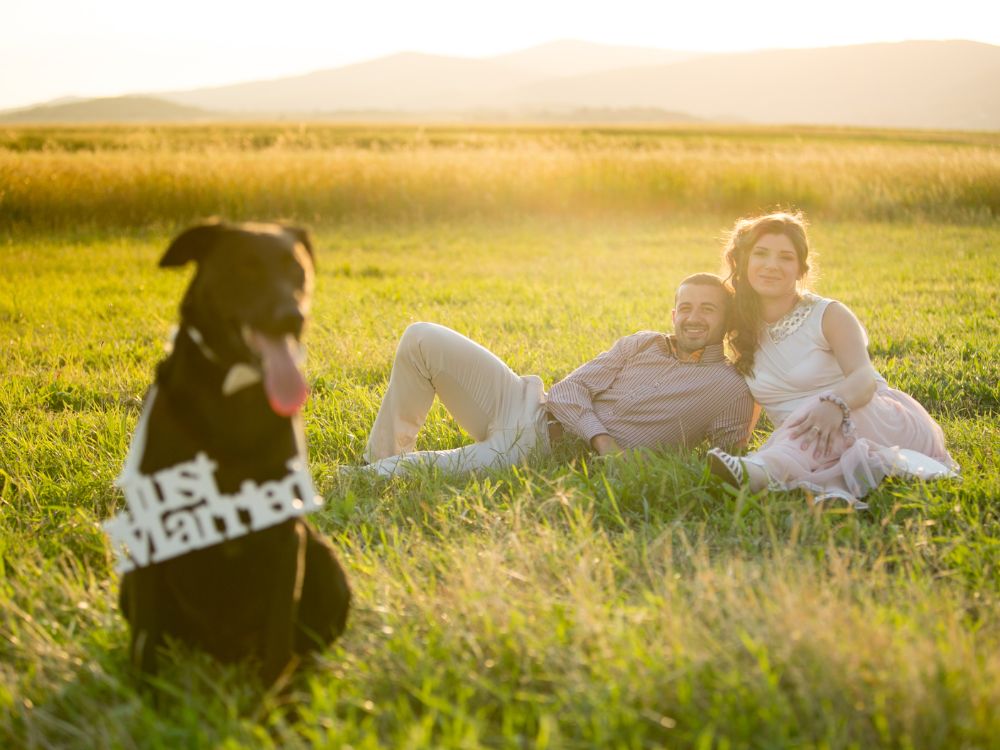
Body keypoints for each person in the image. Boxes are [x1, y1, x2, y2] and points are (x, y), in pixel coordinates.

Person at [361, 273, 755, 477]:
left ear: (726, 318)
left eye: (707, 309)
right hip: (525, 402)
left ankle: (367, 475)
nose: (693, 317)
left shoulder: (728, 388)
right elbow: (568, 390)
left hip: (539, 450)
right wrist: (604, 441)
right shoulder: (643, 343)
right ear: (673, 314)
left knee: (404, 473)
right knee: (421, 338)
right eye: (685, 307)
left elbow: (726, 458)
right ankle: (380, 455)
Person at [707, 212, 957, 508]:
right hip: (808, 437)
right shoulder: (741, 327)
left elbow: (864, 379)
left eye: (786, 258)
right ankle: (831, 491)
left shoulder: (828, 315)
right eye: (761, 254)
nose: (772, 265)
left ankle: (761, 472)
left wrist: (833, 404)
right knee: (808, 429)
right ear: (744, 261)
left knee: (813, 414)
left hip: (872, 417)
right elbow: (756, 394)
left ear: (801, 269)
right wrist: (738, 442)